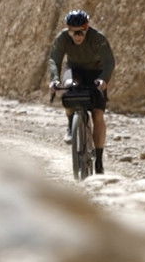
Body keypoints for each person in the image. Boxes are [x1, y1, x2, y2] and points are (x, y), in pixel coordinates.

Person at [46, 9, 115, 174]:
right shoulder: (62, 38)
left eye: (81, 32)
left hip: (95, 73)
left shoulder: (98, 38)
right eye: (73, 32)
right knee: (67, 87)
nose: (77, 36)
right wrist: (54, 79)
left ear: (87, 28)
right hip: (75, 71)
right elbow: (54, 59)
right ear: (68, 30)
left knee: (98, 115)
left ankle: (98, 160)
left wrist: (104, 79)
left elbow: (109, 61)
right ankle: (71, 125)